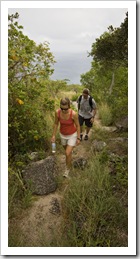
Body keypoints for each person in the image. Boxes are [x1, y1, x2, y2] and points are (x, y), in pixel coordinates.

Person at [51, 97, 81, 178]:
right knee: (68, 153)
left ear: (69, 106)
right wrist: (53, 135)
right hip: (62, 135)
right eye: (62, 108)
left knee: (67, 153)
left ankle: (67, 170)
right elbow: (56, 124)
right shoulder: (57, 112)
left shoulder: (74, 114)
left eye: (66, 109)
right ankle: (69, 161)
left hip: (72, 135)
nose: (63, 110)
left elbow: (78, 126)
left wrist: (78, 138)